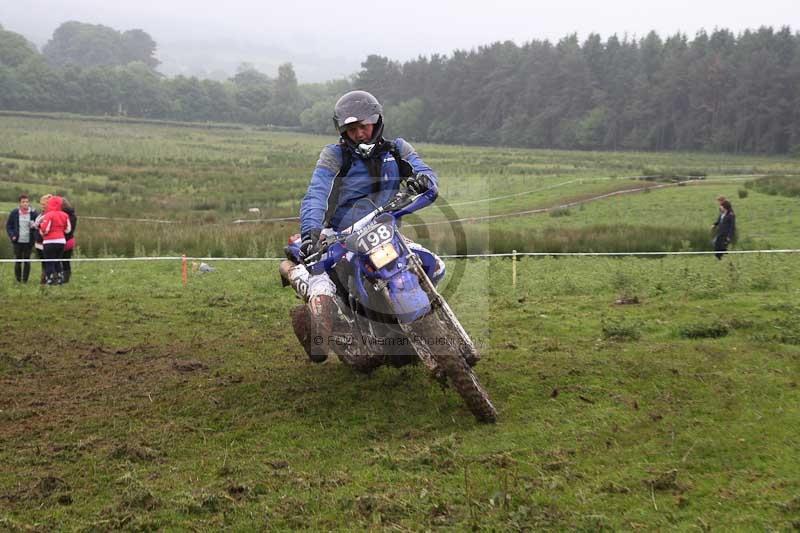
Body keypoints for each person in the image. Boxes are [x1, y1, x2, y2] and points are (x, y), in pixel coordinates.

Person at [297, 90, 444, 362]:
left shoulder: (397, 149)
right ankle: (331, 330)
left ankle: (416, 326)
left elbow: (424, 171)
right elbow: (316, 193)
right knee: (328, 280)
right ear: (343, 131)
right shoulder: (334, 155)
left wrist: (423, 181)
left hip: (386, 232)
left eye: (363, 127)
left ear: (376, 123)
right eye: (351, 129)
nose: (359, 134)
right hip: (340, 235)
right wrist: (311, 234)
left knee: (433, 265)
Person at [38, 195, 71, 285]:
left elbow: (45, 229)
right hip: (61, 241)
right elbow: (68, 229)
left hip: (49, 241)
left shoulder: (48, 215)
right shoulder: (65, 215)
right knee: (57, 260)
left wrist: (40, 230)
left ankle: (50, 278)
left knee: (49, 261)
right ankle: (60, 277)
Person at [5, 194, 39, 283]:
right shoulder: (14, 213)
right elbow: (9, 226)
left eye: (27, 202)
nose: (25, 204)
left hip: (29, 241)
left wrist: (34, 228)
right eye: (23, 202)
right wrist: (12, 235)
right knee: (18, 261)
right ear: (19, 203)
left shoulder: (33, 213)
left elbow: (38, 226)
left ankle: (25, 281)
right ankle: (18, 280)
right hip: (17, 241)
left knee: (27, 261)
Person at [61, 198, 78, 283]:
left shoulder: (64, 215)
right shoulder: (73, 215)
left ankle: (63, 277)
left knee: (61, 260)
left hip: (63, 240)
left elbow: (67, 229)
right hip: (70, 240)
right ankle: (66, 278)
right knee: (66, 260)